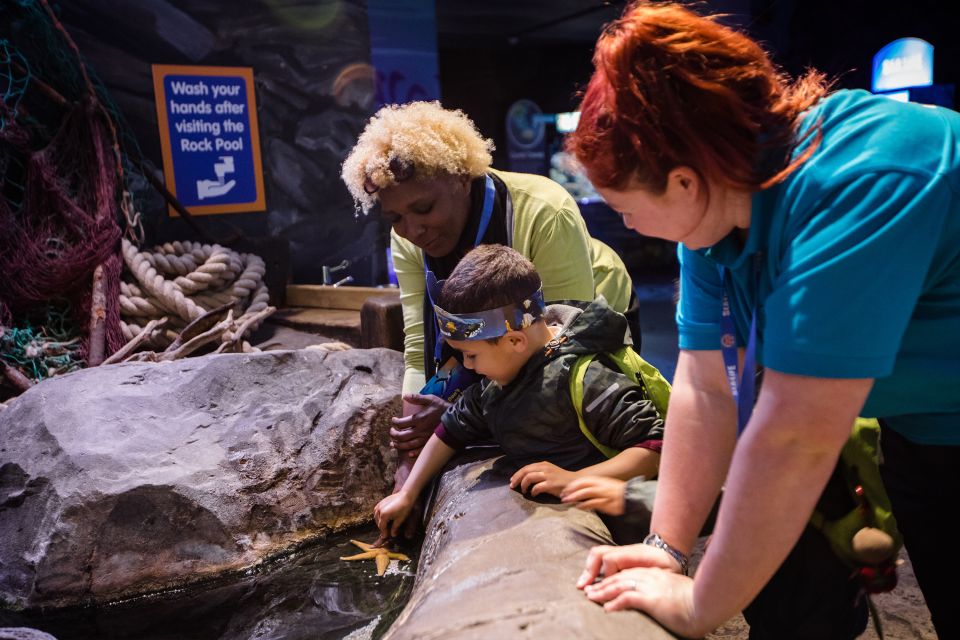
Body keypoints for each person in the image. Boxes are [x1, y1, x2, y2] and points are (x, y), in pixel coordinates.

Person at [564, 3, 960, 639]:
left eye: (623, 208)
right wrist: (666, 545)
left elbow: (795, 437)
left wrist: (698, 605)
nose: (625, 225)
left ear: (685, 182)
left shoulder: (860, 181)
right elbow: (705, 388)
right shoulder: (715, 223)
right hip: (924, 427)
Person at [341, 102, 638, 502]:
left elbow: (560, 352)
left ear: (462, 178)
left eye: (423, 208)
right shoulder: (408, 237)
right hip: (507, 336)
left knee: (590, 422)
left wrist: (455, 412)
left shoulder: (544, 211)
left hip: (583, 324)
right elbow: (419, 352)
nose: (412, 229)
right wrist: (411, 452)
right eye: (395, 218)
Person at [374, 244, 664, 539]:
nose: (467, 367)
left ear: (515, 341)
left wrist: (574, 480)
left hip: (630, 533)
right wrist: (409, 492)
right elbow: (451, 429)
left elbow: (653, 448)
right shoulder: (496, 383)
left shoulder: (587, 378)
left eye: (471, 355)